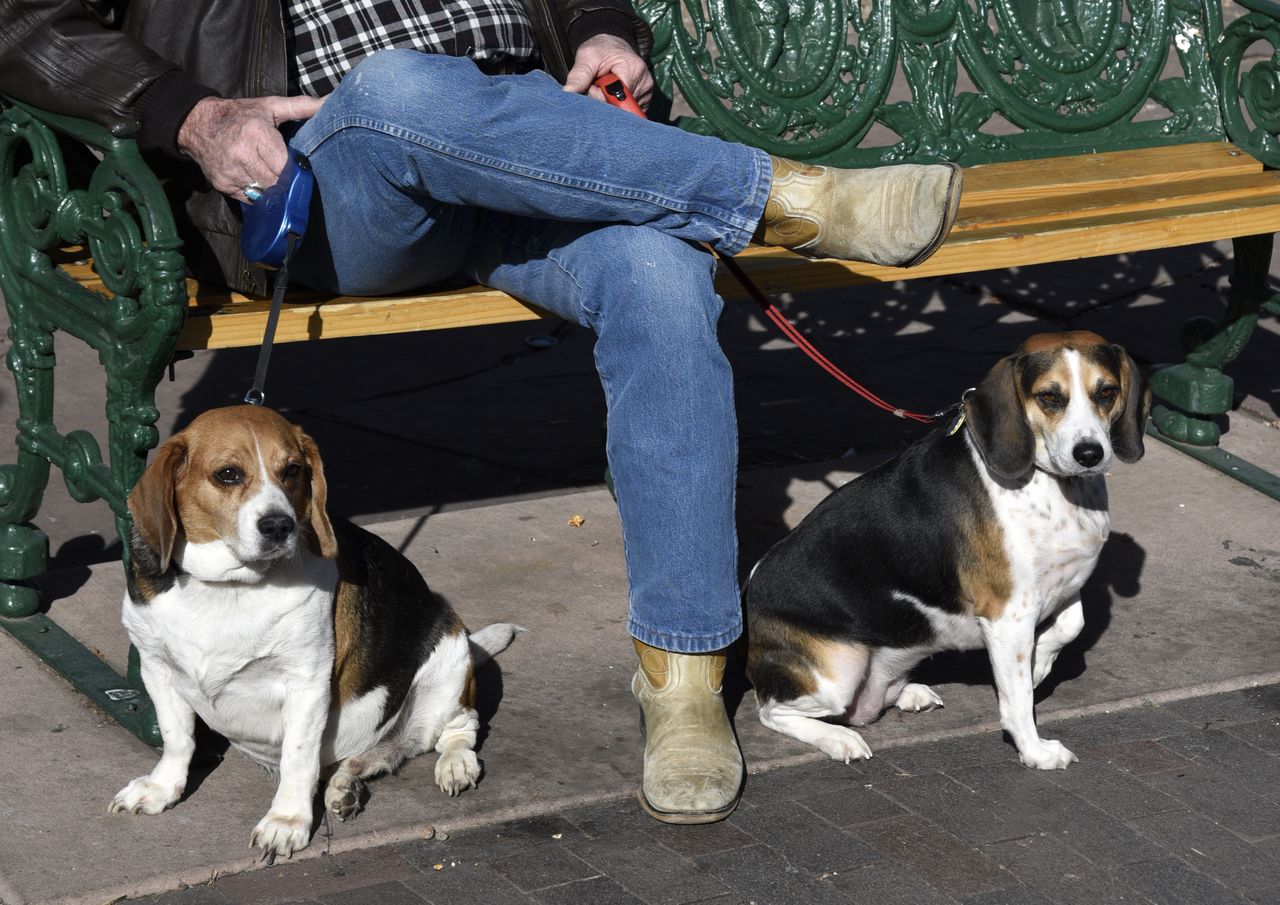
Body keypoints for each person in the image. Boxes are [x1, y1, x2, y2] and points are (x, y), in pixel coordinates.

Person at [0, 0, 961, 825]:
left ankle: (683, 674)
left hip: (532, 139)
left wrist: (598, 29)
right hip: (338, 174)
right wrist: (192, 114)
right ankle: (782, 198)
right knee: (394, 90)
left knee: (662, 278)